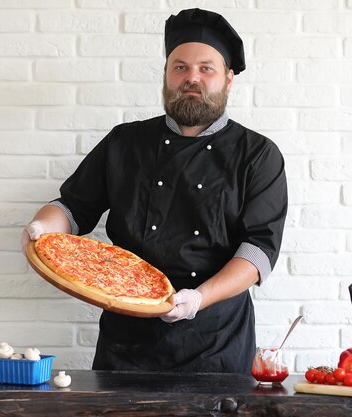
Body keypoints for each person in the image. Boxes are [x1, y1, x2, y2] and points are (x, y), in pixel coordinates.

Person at [21, 8, 288, 374]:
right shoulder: (124, 142)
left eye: (206, 68)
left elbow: (259, 249)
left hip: (216, 340)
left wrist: (198, 298)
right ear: (166, 74)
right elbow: (72, 207)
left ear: (228, 79)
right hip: (127, 339)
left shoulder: (257, 154)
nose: (191, 78)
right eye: (180, 67)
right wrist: (43, 229)